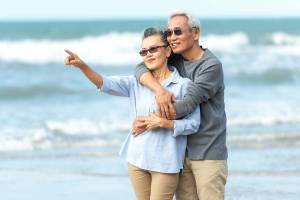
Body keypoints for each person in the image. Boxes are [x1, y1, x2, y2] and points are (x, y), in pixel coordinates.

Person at [64, 27, 200, 200]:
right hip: (137, 159)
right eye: (143, 52)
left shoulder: (183, 85)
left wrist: (164, 123)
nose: (148, 55)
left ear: (167, 51)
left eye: (153, 49)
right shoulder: (136, 82)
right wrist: (82, 66)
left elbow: (194, 124)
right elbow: (105, 83)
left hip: (165, 163)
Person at [134, 12, 228, 200]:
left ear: (195, 33)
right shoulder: (174, 59)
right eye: (169, 33)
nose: (172, 38)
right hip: (179, 153)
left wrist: (149, 120)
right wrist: (160, 91)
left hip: (208, 152)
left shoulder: (211, 66)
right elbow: (140, 68)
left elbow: (187, 105)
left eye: (177, 31)